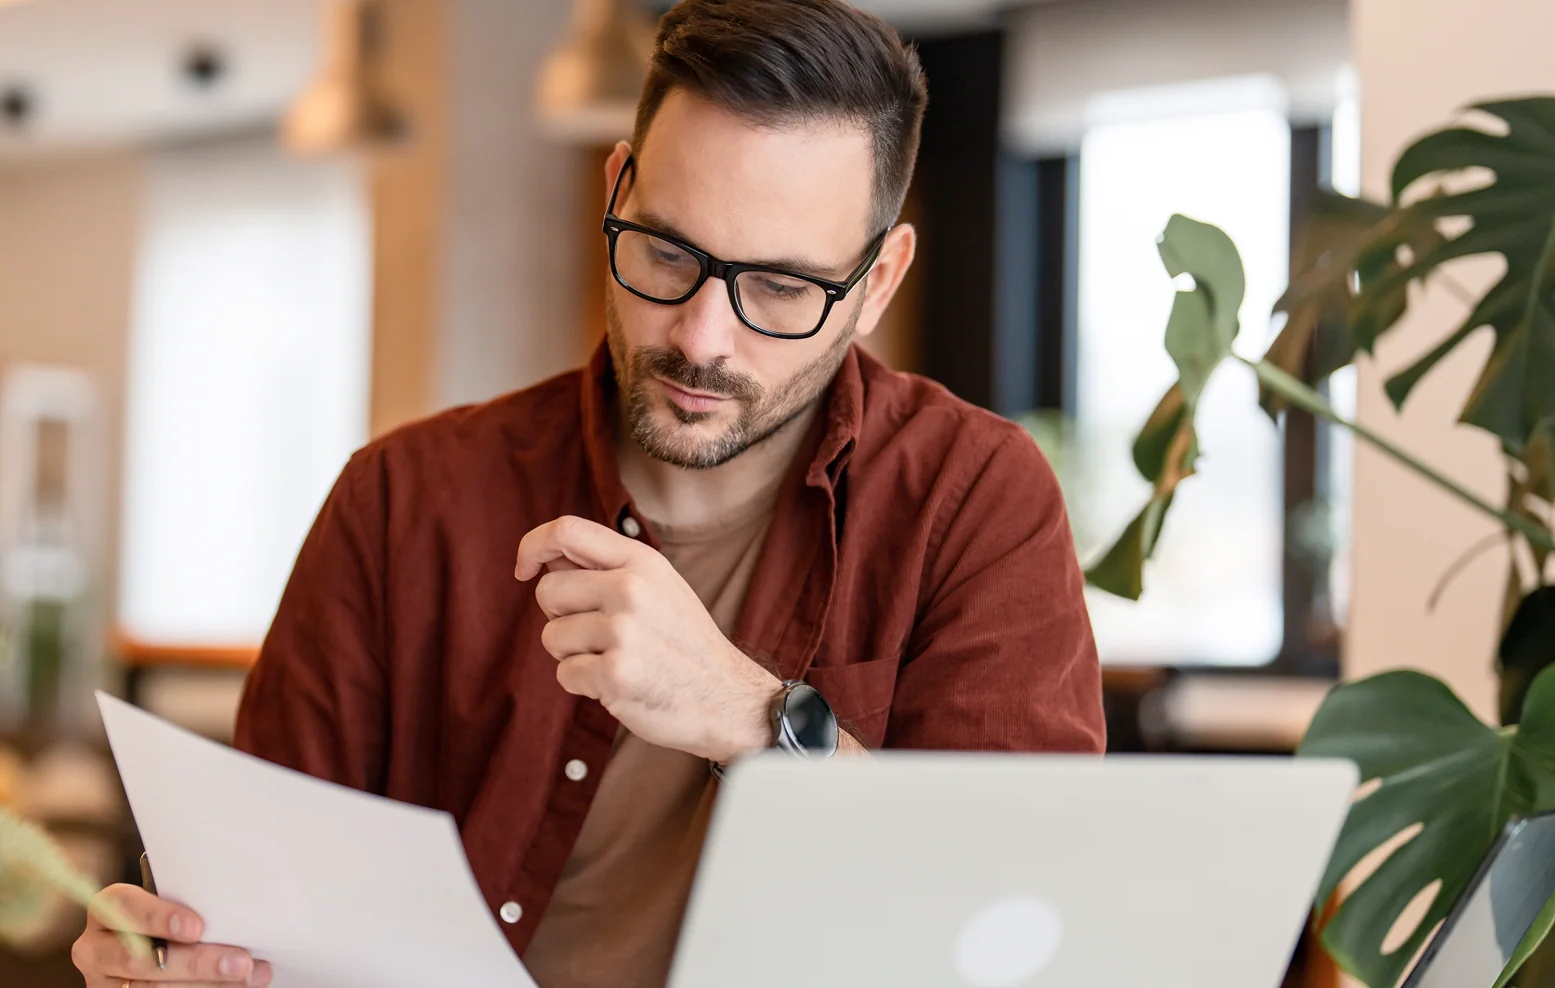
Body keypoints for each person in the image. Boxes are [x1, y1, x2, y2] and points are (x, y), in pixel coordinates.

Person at [70, 1, 1102, 985]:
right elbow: (263, 902)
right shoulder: (403, 499)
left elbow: (1025, 922)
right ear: (616, 189)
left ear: (877, 283)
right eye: (667, 251)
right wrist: (177, 958)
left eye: (781, 288)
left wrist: (751, 718)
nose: (702, 336)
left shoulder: (974, 500)